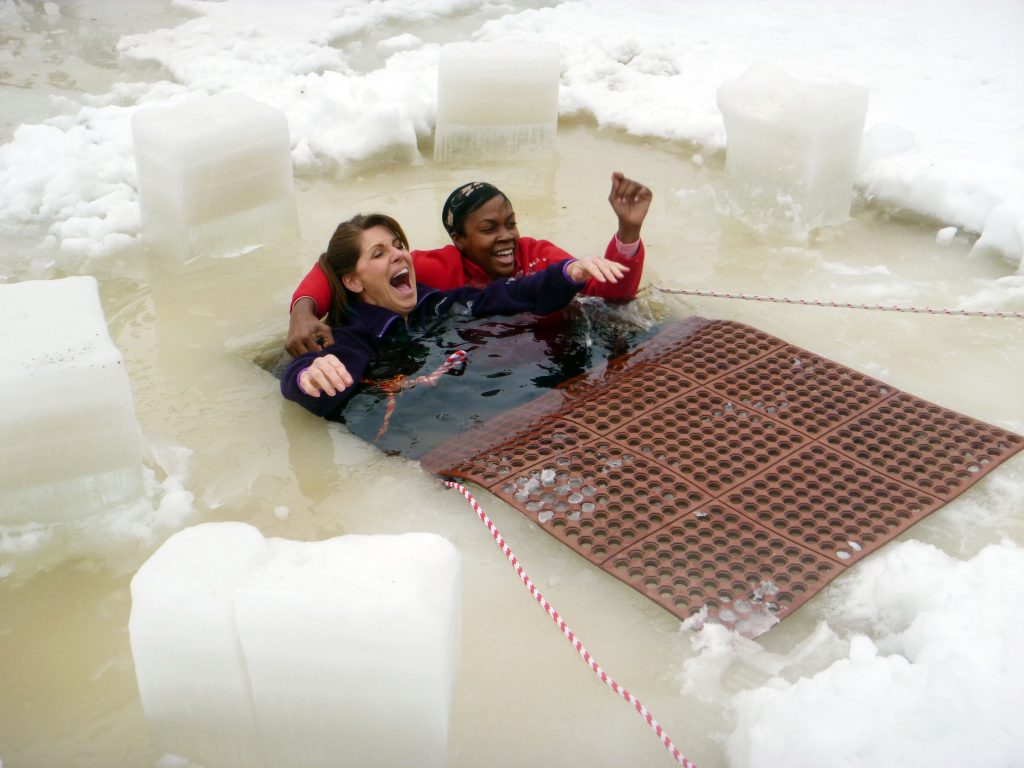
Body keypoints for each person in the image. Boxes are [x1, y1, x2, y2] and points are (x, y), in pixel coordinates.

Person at [281, 212, 628, 419]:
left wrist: (569, 273)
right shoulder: (356, 336)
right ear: (353, 281)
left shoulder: (431, 305)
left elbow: (504, 295)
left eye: (398, 245)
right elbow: (316, 370)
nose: (399, 255)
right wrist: (306, 376)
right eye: (379, 253)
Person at [286, 171, 652, 356]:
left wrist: (628, 231)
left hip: (560, 348)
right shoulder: (436, 269)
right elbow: (338, 267)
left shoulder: (537, 254)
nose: (507, 236)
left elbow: (614, 295)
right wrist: (302, 312)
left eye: (510, 223)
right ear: (459, 241)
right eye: (489, 229)